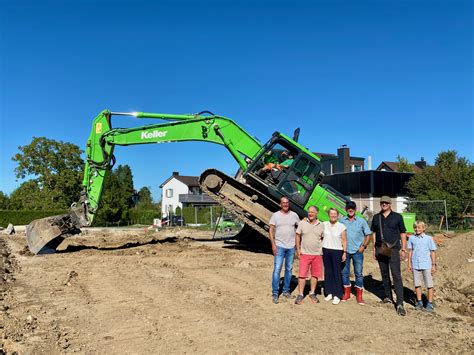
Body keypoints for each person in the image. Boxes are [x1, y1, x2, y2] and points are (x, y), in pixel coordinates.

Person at [371, 196, 407, 316]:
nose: (384, 204)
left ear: (390, 204)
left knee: (396, 275)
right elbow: (374, 233)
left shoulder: (397, 217)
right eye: (382, 203)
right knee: (384, 274)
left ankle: (400, 303)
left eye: (386, 203)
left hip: (394, 249)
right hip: (381, 249)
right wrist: (373, 249)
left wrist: (404, 249)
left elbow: (403, 233)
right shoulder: (376, 218)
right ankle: (388, 296)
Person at [269, 196, 300, 304]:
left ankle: (286, 291)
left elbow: (299, 229)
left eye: (287, 202)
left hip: (291, 247)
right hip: (279, 246)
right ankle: (275, 293)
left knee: (289, 269)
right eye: (283, 203)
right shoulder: (275, 216)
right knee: (277, 269)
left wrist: (297, 245)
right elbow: (271, 229)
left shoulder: (294, 215)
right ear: (280, 204)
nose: (285, 204)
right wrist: (273, 245)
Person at [339, 201, 372, 305]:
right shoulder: (341, 221)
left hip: (357, 251)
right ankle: (347, 293)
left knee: (358, 273)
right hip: (345, 251)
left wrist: (363, 246)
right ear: (346, 209)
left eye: (352, 208)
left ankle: (359, 296)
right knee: (344, 273)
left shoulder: (361, 221)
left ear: (355, 209)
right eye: (348, 208)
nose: (350, 209)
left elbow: (368, 235)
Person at [294, 206, 324, 305]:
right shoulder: (302, 223)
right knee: (302, 275)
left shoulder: (322, 225)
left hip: (317, 255)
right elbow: (298, 236)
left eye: (312, 212)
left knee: (315, 275)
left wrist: (321, 250)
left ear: (317, 213)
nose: (310, 214)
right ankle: (301, 294)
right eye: (309, 212)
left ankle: (312, 293)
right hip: (304, 253)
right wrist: (298, 249)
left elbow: (323, 238)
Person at [408, 221, 437, 312]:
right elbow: (410, 252)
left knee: (429, 284)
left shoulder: (429, 239)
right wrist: (409, 263)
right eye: (415, 228)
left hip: (426, 264)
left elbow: (432, 252)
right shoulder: (412, 238)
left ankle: (430, 303)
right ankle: (419, 302)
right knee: (417, 284)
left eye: (419, 227)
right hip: (415, 264)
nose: (417, 229)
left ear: (423, 228)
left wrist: (433, 265)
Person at [322, 208, 347, 305]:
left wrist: (344, 252)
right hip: (326, 249)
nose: (333, 215)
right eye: (331, 214)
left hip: (337, 251)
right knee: (328, 272)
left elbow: (344, 240)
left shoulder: (341, 226)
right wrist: (305, 219)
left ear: (337, 215)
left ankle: (337, 294)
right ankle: (329, 292)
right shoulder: (324, 224)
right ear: (328, 215)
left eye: (335, 214)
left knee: (337, 272)